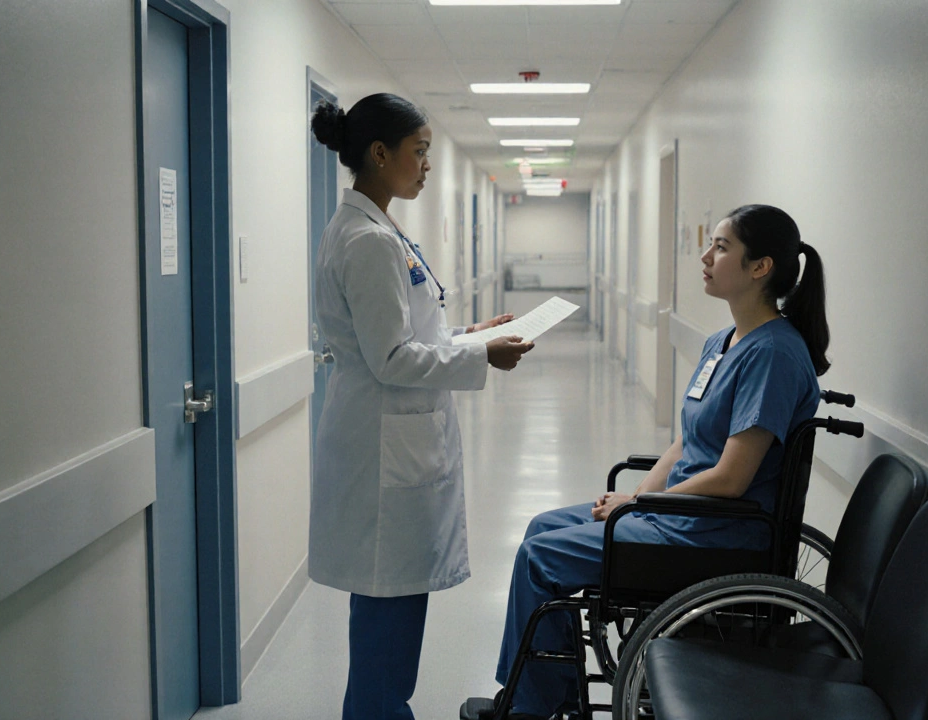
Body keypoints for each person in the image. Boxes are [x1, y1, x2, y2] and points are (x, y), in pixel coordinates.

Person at [464, 204, 831, 720]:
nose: (705, 255)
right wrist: (636, 503)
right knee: (540, 527)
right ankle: (555, 694)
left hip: (714, 534)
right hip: (679, 515)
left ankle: (531, 707)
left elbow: (730, 478)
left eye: (721, 246)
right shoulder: (721, 342)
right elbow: (686, 445)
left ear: (760, 267)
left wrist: (637, 502)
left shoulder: (773, 354)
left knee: (539, 559)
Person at [308, 93, 534, 720]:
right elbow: (392, 360)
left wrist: (471, 337)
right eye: (420, 150)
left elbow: (408, 337)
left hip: (389, 450)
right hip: (384, 461)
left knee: (386, 636)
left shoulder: (375, 228)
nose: (427, 164)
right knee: (386, 647)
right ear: (381, 154)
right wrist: (482, 357)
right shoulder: (367, 240)